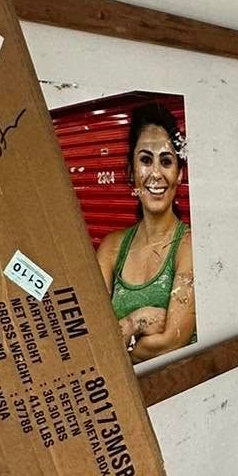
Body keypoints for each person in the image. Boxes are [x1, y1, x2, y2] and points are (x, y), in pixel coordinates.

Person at [95, 101, 197, 364]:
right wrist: (138, 320)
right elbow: (93, 336)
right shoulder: (111, 247)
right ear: (131, 172)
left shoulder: (190, 245)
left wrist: (123, 331)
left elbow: (173, 339)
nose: (155, 173)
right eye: (145, 160)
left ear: (179, 174)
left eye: (166, 161)